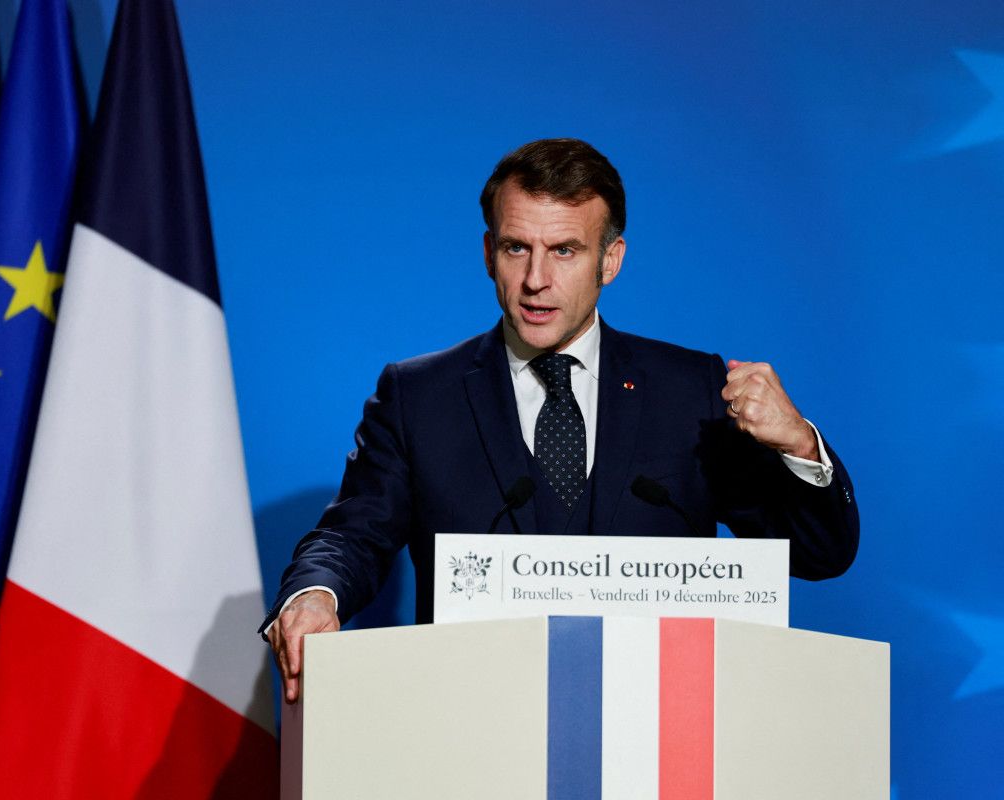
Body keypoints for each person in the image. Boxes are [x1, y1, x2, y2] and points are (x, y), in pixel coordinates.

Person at [261, 138, 859, 702]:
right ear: (489, 253)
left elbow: (819, 554)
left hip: (654, 727)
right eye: (516, 248)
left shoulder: (690, 392)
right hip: (471, 724)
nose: (535, 280)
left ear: (610, 260)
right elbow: (352, 535)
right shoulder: (419, 397)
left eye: (565, 251)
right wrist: (314, 595)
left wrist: (800, 445)